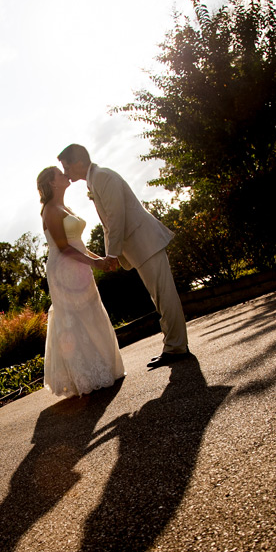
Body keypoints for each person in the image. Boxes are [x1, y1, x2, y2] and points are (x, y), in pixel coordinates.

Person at [57, 144, 189, 368]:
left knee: (164, 296)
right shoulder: (96, 179)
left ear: (79, 162)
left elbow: (116, 218)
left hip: (145, 242)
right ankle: (174, 345)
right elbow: (111, 222)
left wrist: (112, 255)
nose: (66, 172)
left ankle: (176, 347)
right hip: (141, 245)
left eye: (66, 166)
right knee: (160, 297)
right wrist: (112, 254)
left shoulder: (102, 177)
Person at [36, 165, 125, 398]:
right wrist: (94, 263)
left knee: (91, 311)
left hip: (80, 266)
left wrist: (101, 259)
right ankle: (85, 376)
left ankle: (103, 367)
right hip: (64, 270)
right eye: (59, 173)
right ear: (52, 182)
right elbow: (64, 248)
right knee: (74, 318)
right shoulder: (50, 210)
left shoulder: (65, 207)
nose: (65, 174)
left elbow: (79, 245)